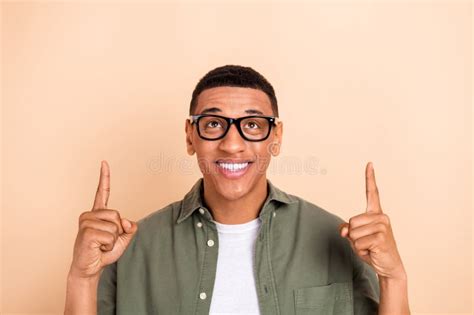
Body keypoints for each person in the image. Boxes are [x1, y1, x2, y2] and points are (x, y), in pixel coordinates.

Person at [64, 65, 410, 315]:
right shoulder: (130, 248)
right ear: (190, 136)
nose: (232, 145)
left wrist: (394, 277)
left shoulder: (338, 237)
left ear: (276, 138)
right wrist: (82, 278)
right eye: (213, 124)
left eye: (252, 125)